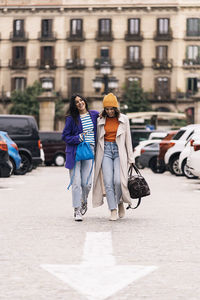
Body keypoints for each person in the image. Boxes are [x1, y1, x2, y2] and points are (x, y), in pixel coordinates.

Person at [92, 93, 134, 221]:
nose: (109, 111)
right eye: (107, 109)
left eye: (111, 108)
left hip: (119, 151)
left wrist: (131, 158)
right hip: (105, 151)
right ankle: (113, 209)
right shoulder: (100, 120)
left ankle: (120, 202)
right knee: (108, 182)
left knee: (118, 181)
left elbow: (128, 139)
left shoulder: (124, 119)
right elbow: (87, 114)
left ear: (116, 108)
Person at [62, 94, 99, 221]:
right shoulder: (71, 119)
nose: (80, 103)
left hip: (89, 150)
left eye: (81, 100)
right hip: (75, 151)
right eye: (77, 102)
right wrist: (78, 138)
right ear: (74, 105)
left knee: (87, 184)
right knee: (76, 183)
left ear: (85, 101)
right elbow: (65, 136)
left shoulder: (94, 115)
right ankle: (77, 209)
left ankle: (84, 201)